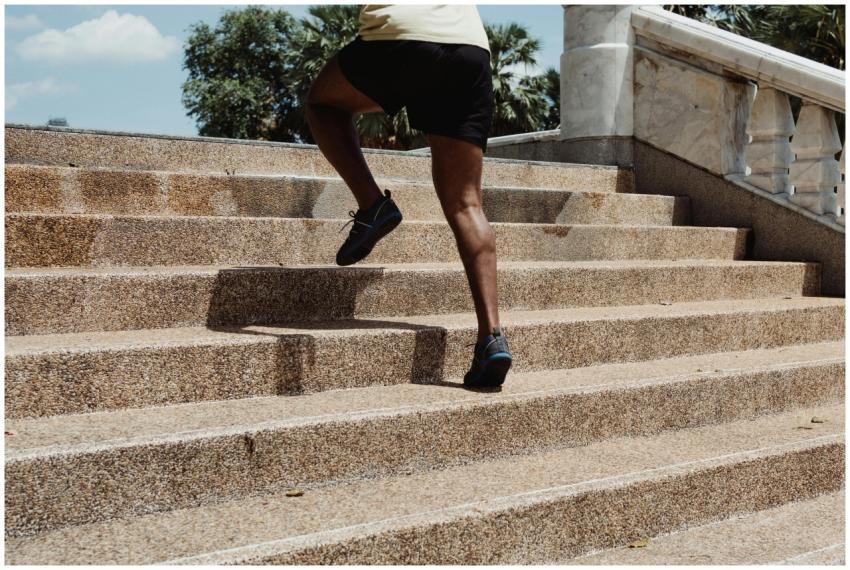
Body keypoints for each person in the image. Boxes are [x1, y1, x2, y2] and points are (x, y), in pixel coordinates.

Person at [305, 4, 512, 388]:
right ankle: (491, 337)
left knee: (323, 102)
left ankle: (373, 205)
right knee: (467, 204)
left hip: (403, 37)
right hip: (470, 48)